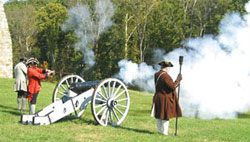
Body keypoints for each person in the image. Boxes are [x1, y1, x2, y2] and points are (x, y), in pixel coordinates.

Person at [152, 61, 182, 135]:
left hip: (158, 96)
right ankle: (165, 133)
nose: (169, 69)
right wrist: (178, 80)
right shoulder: (166, 76)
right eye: (169, 68)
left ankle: (159, 131)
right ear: (166, 68)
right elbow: (172, 86)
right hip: (165, 98)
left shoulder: (157, 74)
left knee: (159, 115)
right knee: (165, 115)